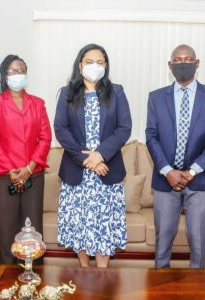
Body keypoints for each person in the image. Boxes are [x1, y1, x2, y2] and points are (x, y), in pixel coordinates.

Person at [145, 44, 205, 269]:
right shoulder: (156, 98)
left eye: (188, 59)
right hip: (165, 180)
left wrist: (192, 171)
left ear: (197, 63)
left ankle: (197, 287)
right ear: (170, 65)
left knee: (199, 242)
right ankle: (160, 287)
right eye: (178, 59)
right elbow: (151, 136)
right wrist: (168, 171)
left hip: (200, 179)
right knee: (163, 241)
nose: (183, 63)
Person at [54, 43, 132, 268]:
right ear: (80, 65)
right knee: (79, 226)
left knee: (104, 227)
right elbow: (61, 129)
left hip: (106, 171)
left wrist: (101, 155)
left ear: (105, 66)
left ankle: (102, 272)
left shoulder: (116, 91)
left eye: (100, 62)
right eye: (89, 61)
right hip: (77, 171)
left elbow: (124, 127)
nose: (94, 66)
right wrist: (88, 160)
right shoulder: (67, 93)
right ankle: (84, 269)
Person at [0, 54, 52, 265]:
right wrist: (12, 169)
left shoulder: (38, 104)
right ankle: (6, 279)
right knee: (6, 230)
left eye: (21, 70)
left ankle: (33, 278)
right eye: (13, 71)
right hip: (3, 176)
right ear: (5, 75)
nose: (17, 74)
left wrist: (29, 168)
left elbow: (45, 137)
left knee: (32, 232)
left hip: (33, 175)